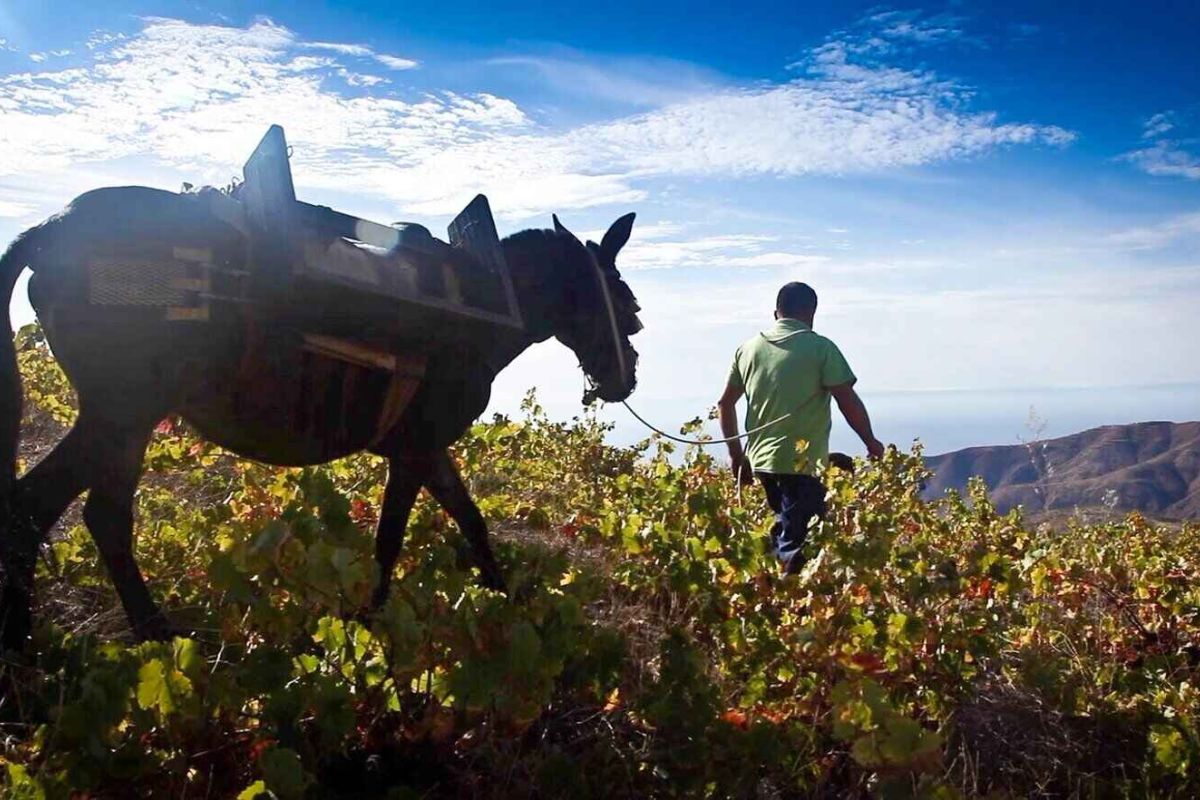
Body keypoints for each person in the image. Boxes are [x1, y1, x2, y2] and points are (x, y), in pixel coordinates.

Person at [718, 282, 883, 573]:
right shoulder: (822, 348)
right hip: (802, 465)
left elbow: (725, 404)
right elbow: (847, 401)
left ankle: (766, 589)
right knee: (799, 551)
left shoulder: (747, 349)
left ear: (775, 313)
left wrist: (736, 456)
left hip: (762, 464)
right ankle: (786, 604)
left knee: (786, 531)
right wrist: (871, 442)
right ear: (812, 313)